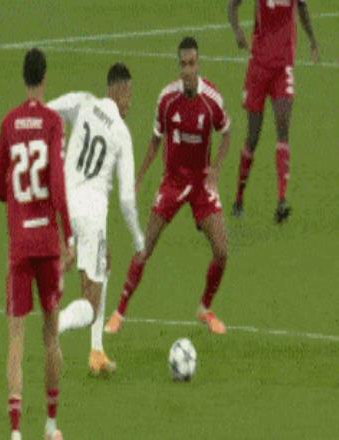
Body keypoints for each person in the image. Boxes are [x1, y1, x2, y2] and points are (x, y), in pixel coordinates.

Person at [105, 37, 231, 335]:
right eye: (183, 64)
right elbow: (155, 140)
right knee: (144, 246)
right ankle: (119, 312)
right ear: (178, 65)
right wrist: (138, 178)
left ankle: (204, 308)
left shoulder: (212, 100)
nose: (187, 70)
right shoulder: (166, 99)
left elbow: (226, 133)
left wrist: (215, 169)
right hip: (173, 182)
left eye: (192, 64)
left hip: (200, 184)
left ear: (198, 64)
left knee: (222, 251)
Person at [0, 48, 74, 440]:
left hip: (20, 245)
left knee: (15, 338)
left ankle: (15, 432)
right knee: (51, 336)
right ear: (44, 78)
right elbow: (56, 181)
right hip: (47, 243)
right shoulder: (53, 122)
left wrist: (14, 200)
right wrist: (68, 234)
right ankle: (51, 424)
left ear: (23, 77)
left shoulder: (9, 123)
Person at [48, 63, 144, 374]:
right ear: (121, 89)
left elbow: (48, 111)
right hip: (91, 216)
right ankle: (58, 323)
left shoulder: (83, 102)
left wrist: (59, 144)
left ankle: (97, 351)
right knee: (90, 301)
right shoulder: (121, 133)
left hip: (63, 210)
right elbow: (127, 200)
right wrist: (138, 240)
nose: (130, 103)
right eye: (130, 95)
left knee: (105, 263)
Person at [229, 0, 319, 222]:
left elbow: (303, 7)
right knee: (253, 137)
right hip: (258, 68)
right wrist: (237, 31)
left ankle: (281, 200)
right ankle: (239, 198)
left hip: (283, 67)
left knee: (283, 130)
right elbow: (232, 5)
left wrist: (312, 40)